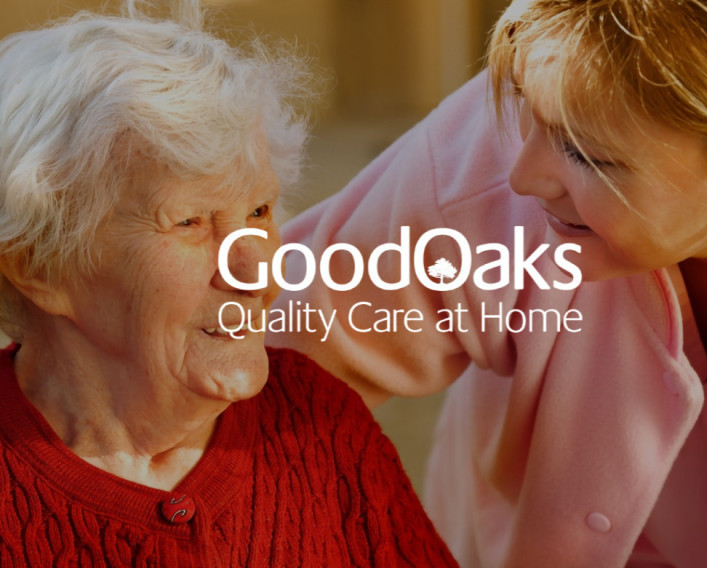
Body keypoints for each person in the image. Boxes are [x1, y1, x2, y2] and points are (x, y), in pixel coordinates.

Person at [268, 0, 707, 566]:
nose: (521, 176)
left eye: (586, 154)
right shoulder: (484, 152)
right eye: (524, 101)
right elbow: (273, 370)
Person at [0, 2, 459, 566]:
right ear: (41, 268)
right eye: (190, 223)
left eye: (260, 211)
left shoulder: (319, 424)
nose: (255, 269)